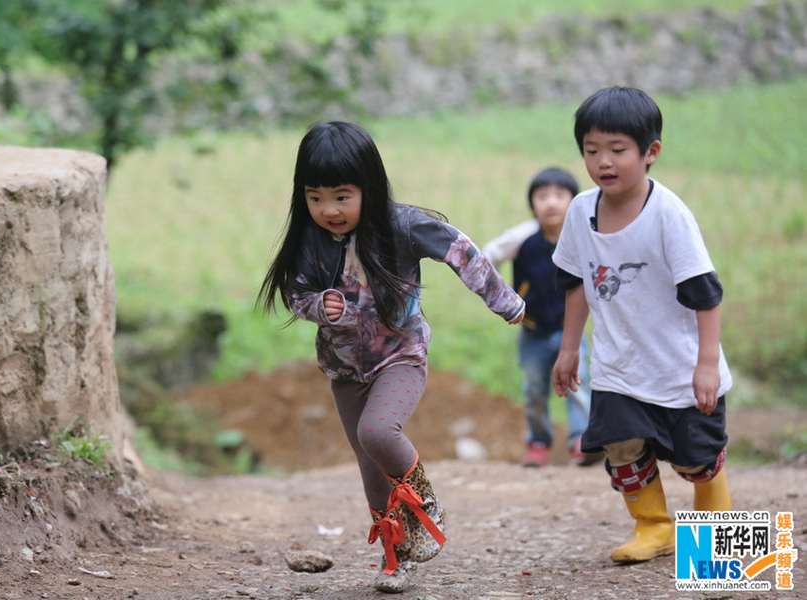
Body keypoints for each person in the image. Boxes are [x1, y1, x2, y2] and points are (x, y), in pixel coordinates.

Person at [258, 121, 525, 593]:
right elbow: (295, 294)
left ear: (369, 187)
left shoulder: (401, 226)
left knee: (378, 432)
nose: (328, 210)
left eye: (342, 196)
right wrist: (319, 306)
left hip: (400, 355)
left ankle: (426, 506)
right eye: (315, 197)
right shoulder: (309, 241)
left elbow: (461, 251)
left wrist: (505, 301)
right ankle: (396, 555)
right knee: (368, 463)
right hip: (344, 368)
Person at [551, 86, 733, 563]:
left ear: (650, 152)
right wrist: (570, 350)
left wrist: (707, 364)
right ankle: (653, 526)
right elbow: (574, 283)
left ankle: (717, 551)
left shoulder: (668, 215)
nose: (603, 162)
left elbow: (706, 294)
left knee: (696, 461)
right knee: (622, 447)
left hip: (679, 364)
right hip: (617, 365)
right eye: (591, 151)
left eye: (617, 150)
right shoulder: (580, 211)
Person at [484, 167, 599, 468]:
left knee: (578, 384)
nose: (551, 203)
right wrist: (503, 296)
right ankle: (538, 441)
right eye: (542, 196)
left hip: (569, 331)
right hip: (532, 331)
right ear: (532, 203)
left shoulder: (584, 237)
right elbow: (487, 255)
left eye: (560, 196)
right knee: (534, 389)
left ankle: (581, 440)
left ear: (574, 201)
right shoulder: (523, 238)